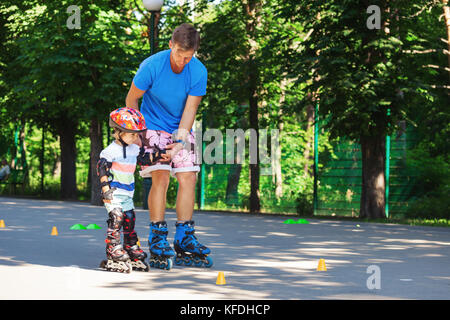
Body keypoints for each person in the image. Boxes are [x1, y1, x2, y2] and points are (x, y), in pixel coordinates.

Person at [125, 23, 212, 269]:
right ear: (171, 45)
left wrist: (180, 142)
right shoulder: (151, 66)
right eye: (180, 55)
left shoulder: (198, 71)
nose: (184, 61)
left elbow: (191, 108)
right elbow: (132, 98)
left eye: (189, 56)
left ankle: (184, 237)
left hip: (179, 127)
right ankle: (158, 237)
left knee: (188, 177)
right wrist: (139, 134)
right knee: (161, 178)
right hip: (150, 126)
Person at [97, 107, 165, 273]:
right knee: (116, 217)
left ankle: (130, 246)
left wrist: (158, 155)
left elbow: (143, 158)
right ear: (118, 131)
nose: (136, 137)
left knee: (129, 218)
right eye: (132, 134)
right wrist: (105, 189)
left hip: (128, 193)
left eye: (137, 134)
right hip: (113, 192)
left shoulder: (134, 149)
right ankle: (113, 248)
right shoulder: (110, 151)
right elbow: (102, 169)